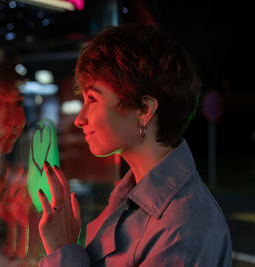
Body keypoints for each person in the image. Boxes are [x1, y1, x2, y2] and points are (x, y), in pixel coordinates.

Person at [37, 24, 232, 266]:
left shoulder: (181, 229)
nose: (80, 119)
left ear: (144, 110)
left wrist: (63, 252)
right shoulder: (131, 198)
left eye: (92, 99)